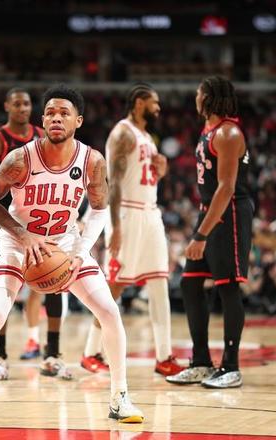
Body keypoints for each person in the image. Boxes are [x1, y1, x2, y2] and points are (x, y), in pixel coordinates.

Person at [0, 84, 143, 425]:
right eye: (51, 113)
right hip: (17, 244)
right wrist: (21, 234)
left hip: (64, 244)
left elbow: (100, 209)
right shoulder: (20, 159)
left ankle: (120, 396)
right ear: (42, 120)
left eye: (64, 113)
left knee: (109, 312)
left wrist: (80, 251)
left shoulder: (91, 160)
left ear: (78, 121)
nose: (57, 118)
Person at [81, 83, 184, 377]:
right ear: (139, 103)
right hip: (126, 214)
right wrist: (114, 227)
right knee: (115, 285)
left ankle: (164, 356)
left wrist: (161, 171)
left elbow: (142, 178)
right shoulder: (123, 133)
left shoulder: (147, 136)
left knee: (159, 281)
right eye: (154, 103)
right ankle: (90, 352)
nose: (158, 109)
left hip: (150, 212)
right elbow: (113, 183)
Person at [166, 76, 253, 389]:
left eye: (198, 93)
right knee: (189, 284)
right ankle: (201, 362)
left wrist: (200, 235)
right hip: (210, 211)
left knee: (228, 286)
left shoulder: (229, 133)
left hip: (230, 213)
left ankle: (231, 367)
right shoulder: (208, 129)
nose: (195, 98)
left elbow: (226, 188)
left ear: (209, 97)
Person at [0, 88, 68, 380]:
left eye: (27, 104)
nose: (22, 108)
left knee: (54, 281)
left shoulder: (42, 136)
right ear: (7, 106)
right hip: (6, 224)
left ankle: (52, 354)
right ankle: (0, 356)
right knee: (3, 291)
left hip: (40, 221)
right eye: (17, 104)